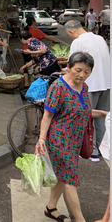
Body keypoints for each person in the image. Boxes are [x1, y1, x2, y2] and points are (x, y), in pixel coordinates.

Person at [35, 52, 109, 222]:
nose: (82, 75)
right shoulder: (58, 87)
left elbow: (83, 111)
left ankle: (51, 208)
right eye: (78, 70)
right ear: (68, 67)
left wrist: (104, 113)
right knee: (70, 180)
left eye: (87, 72)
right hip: (59, 140)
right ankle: (80, 220)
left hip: (75, 141)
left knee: (63, 176)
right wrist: (41, 139)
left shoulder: (84, 87)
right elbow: (47, 115)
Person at [65, 19, 111, 162]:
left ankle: (92, 152)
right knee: (103, 117)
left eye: (69, 35)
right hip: (107, 83)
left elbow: (71, 65)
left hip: (90, 84)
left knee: (87, 116)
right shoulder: (100, 39)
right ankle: (103, 149)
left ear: (71, 31)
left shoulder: (77, 42)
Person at [22, 17, 60, 87]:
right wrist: (54, 40)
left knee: (38, 73)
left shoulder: (26, 32)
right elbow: (46, 37)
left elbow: (42, 52)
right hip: (33, 53)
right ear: (33, 22)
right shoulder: (35, 32)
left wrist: (29, 53)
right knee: (42, 75)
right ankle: (34, 84)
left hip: (28, 52)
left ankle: (28, 83)